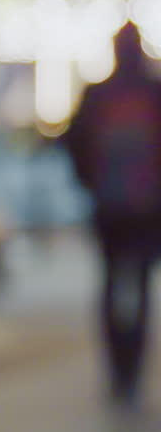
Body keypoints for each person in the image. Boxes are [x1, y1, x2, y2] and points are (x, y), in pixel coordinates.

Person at [65, 21, 161, 404]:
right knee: (138, 285)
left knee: (110, 286)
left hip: (110, 207)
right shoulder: (154, 92)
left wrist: (90, 183)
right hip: (146, 209)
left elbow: (73, 142)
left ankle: (121, 369)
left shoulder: (98, 94)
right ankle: (131, 368)